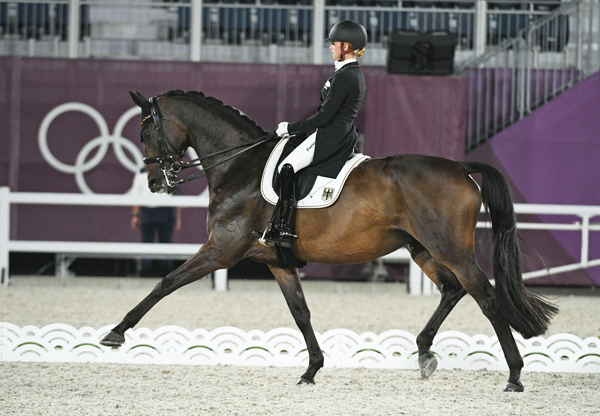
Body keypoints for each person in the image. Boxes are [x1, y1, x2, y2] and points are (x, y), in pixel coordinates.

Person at [254, 20, 367, 249]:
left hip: (331, 136)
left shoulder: (346, 76)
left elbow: (324, 117)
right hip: (340, 133)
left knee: (286, 168)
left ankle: (284, 228)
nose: (330, 48)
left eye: (334, 44)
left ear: (345, 47)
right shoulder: (349, 72)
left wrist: (290, 128)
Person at [130, 168, 182, 277]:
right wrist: (177, 218)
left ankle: (145, 273)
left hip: (149, 211)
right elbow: (177, 197)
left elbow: (136, 196)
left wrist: (135, 215)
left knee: (147, 243)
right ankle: (166, 274)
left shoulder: (141, 174)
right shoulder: (170, 173)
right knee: (165, 244)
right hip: (165, 212)